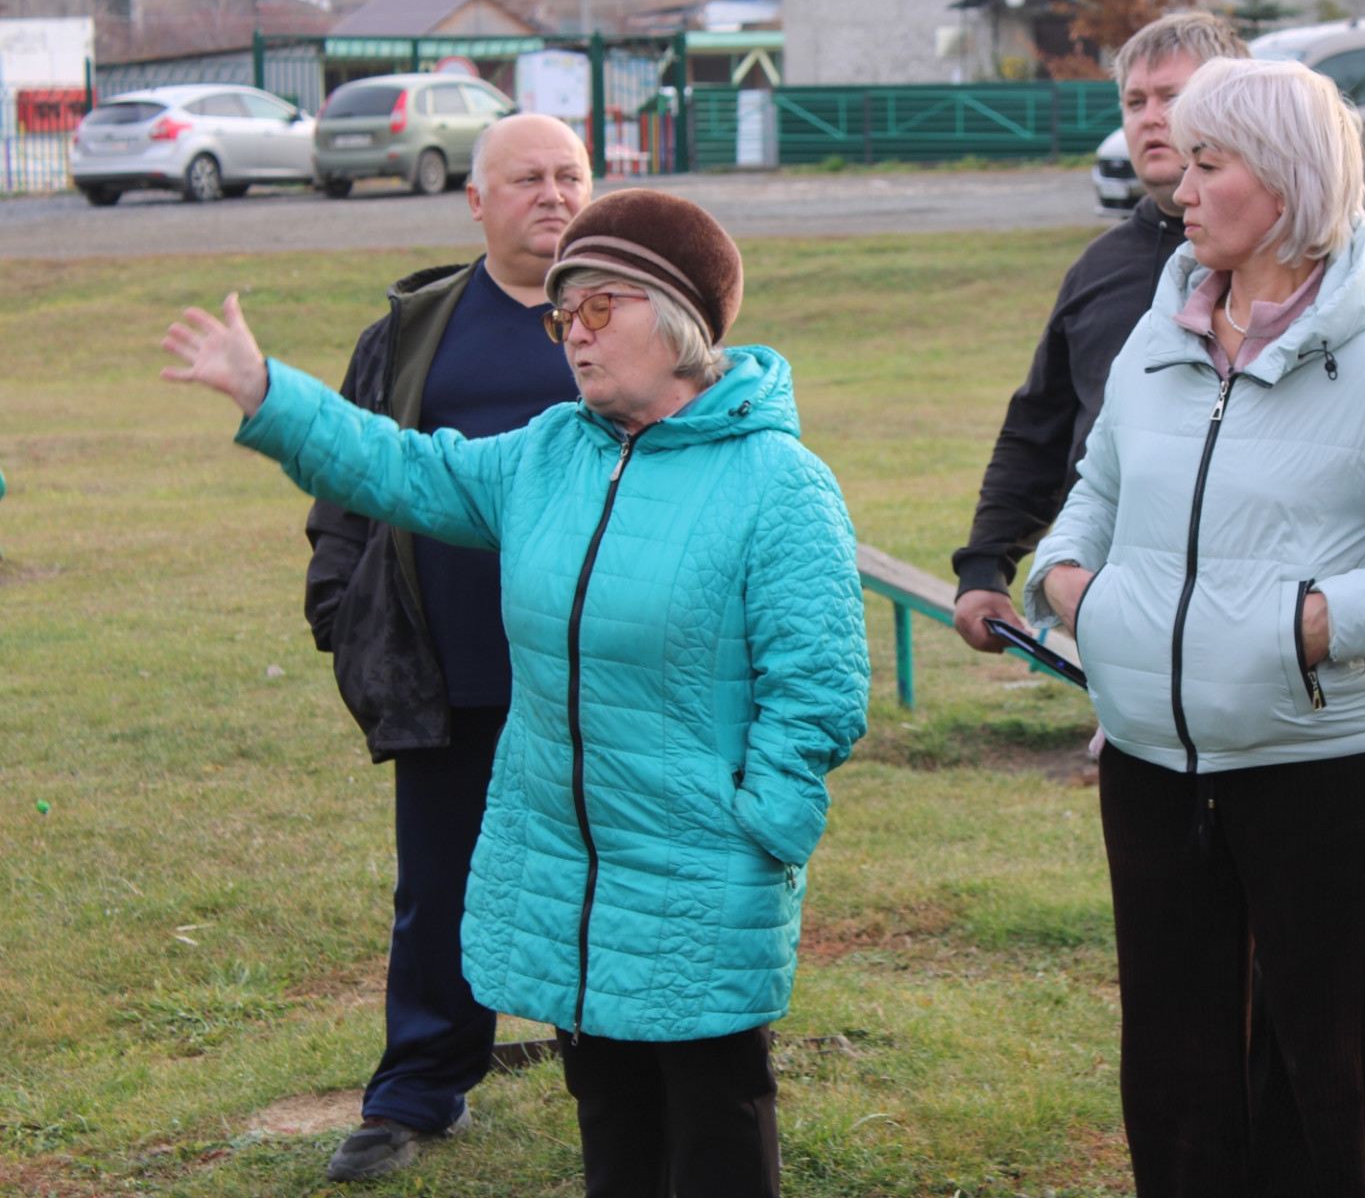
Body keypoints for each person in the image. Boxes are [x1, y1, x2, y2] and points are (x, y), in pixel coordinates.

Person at [160, 189, 869, 1198]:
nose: (571, 336)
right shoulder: (548, 453)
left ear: (678, 323)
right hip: (566, 863)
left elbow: (821, 688)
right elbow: (400, 468)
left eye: (598, 309)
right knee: (612, 1118)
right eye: (560, 313)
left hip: (700, 866)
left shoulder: (779, 483)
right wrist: (271, 394)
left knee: (714, 1119)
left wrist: (759, 824)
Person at [1025, 56, 1365, 1197]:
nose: (1181, 189)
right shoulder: (1160, 337)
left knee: (1324, 1072)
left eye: (1210, 164)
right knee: (1172, 1063)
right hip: (1151, 765)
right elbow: (1093, 493)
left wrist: (1315, 623)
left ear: (1290, 180)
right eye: (1182, 165)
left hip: (1324, 769)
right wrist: (1071, 581)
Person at [301, 113, 594, 1183]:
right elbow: (353, 463)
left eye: (571, 175)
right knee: (441, 883)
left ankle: (613, 1068)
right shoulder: (418, 326)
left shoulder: (629, 317)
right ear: (477, 199)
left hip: (589, 670)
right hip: (448, 664)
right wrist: (337, 594)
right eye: (527, 178)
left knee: (594, 872)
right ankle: (420, 1085)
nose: (553, 195)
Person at [951, 12, 1365, 649]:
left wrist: (1324, 620)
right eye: (1134, 100)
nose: (1151, 117)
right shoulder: (1099, 270)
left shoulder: (1348, 266)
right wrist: (988, 561)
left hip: (1289, 660)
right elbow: (1042, 429)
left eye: (1172, 98)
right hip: (1123, 631)